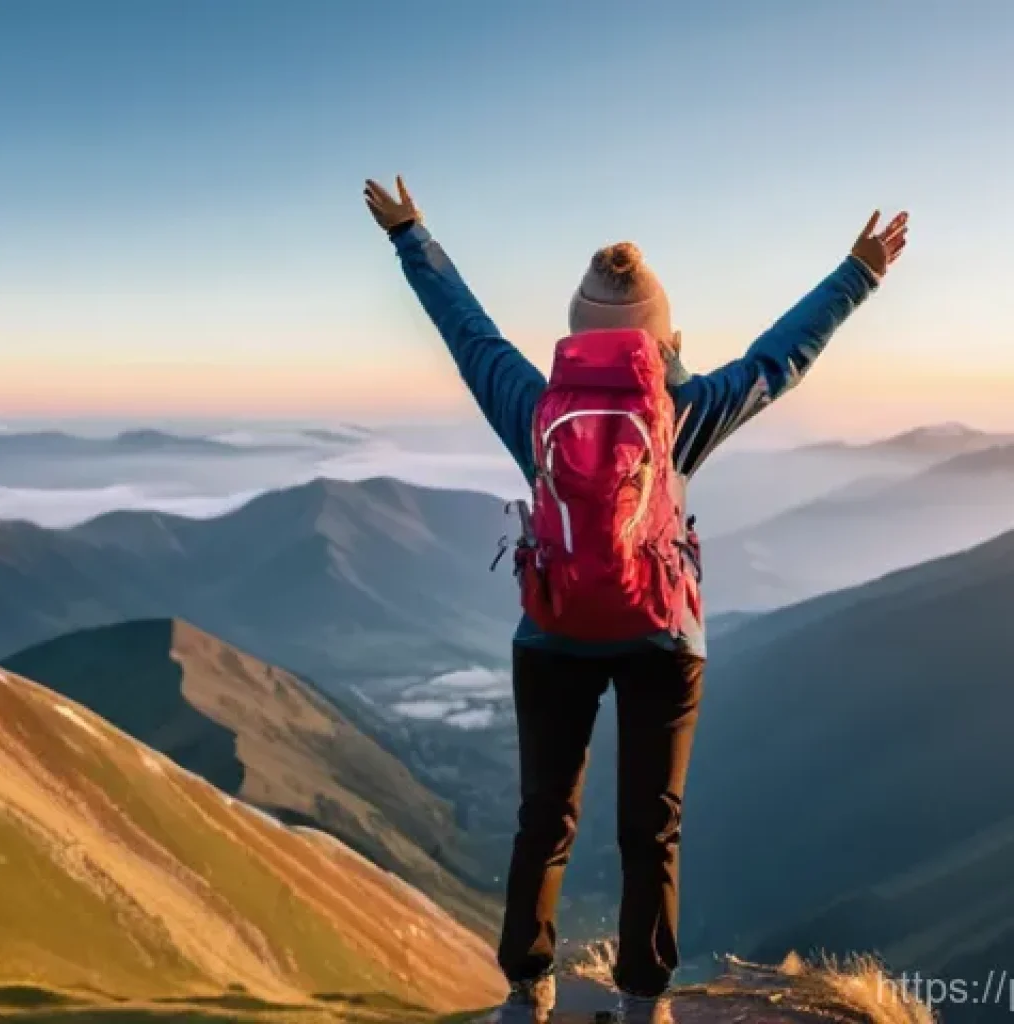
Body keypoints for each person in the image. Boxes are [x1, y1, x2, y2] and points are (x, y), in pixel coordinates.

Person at [364, 176, 908, 1024]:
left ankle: (524, 992)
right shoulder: (684, 410)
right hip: (665, 635)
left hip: (551, 631)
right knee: (652, 830)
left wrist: (411, 236)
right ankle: (645, 999)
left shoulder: (533, 404)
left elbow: (467, 332)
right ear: (663, 340)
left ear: (575, 337)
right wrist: (859, 273)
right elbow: (780, 358)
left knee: (544, 816)